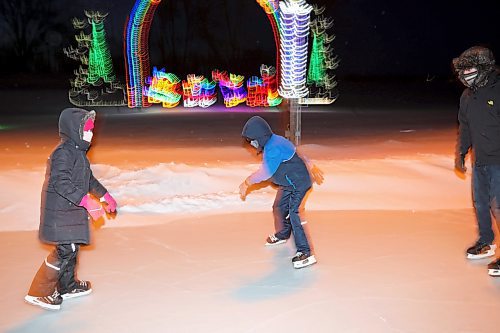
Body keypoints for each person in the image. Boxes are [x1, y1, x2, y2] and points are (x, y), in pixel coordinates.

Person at [24, 108, 118, 310]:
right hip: (60, 213)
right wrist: (85, 201)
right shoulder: (63, 153)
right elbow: (60, 182)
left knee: (71, 250)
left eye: (92, 130)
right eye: (87, 130)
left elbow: (88, 179)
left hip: (69, 211)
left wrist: (103, 195)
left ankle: (67, 286)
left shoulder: (78, 154)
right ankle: (39, 292)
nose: (90, 134)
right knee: (64, 252)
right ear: (74, 129)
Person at [239, 116, 323, 269]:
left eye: (252, 140)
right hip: (288, 183)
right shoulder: (274, 141)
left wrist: (247, 182)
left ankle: (306, 253)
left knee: (294, 212)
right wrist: (312, 166)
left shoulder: (273, 148)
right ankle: (283, 234)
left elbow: (266, 172)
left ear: (260, 137)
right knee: (278, 207)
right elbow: (297, 154)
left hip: (298, 183)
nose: (251, 144)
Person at [453, 46, 500, 276]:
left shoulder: (498, 90)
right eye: (463, 70)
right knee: (480, 203)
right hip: (480, 160)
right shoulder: (467, 96)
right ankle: (486, 241)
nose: (465, 74)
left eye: (470, 68)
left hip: (499, 161)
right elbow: (465, 127)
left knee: (499, 207)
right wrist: (461, 153)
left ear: (483, 68)